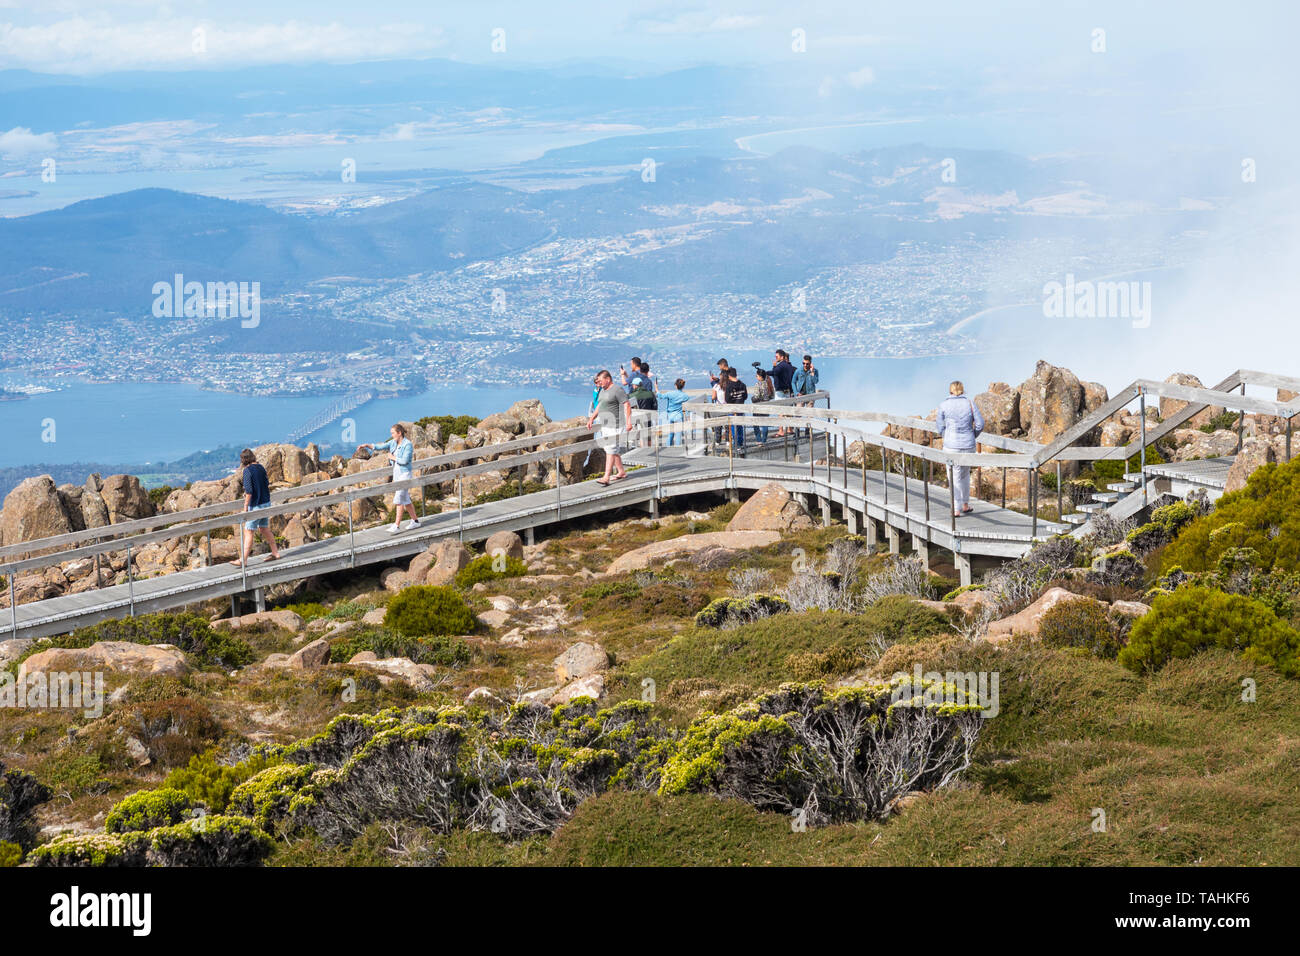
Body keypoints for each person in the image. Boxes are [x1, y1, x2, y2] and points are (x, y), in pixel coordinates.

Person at [935, 380, 985, 518]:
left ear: (950, 391)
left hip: (951, 447)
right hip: (968, 446)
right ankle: (965, 504)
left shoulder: (944, 405)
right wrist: (972, 435)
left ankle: (956, 508)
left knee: (954, 477)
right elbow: (980, 424)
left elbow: (939, 426)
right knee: (964, 475)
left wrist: (946, 436)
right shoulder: (970, 403)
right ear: (962, 390)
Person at [358, 423, 420, 533]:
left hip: (405, 474)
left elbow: (405, 461)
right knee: (405, 499)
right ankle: (415, 521)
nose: (391, 435)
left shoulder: (408, 445)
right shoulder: (393, 443)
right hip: (397, 474)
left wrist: (393, 457)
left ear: (399, 433)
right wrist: (367, 445)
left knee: (399, 499)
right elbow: (380, 446)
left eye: (392, 433)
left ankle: (396, 525)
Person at [234, 448, 280, 566]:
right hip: (266, 503)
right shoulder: (261, 467)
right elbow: (266, 483)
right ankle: (275, 552)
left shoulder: (247, 471)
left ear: (244, 460)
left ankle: (243, 560)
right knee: (264, 528)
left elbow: (249, 491)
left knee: (248, 531)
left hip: (255, 505)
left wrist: (245, 507)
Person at [587, 369, 632, 485]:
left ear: (608, 379)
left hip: (616, 424)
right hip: (605, 425)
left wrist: (628, 422)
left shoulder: (617, 390)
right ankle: (621, 472)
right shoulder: (602, 390)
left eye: (601, 380)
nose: (599, 383)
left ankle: (606, 477)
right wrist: (591, 418)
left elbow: (627, 405)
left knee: (610, 450)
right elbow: (600, 405)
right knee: (611, 450)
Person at [759, 349, 797, 436]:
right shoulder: (789, 366)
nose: (775, 358)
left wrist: (769, 370)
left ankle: (781, 430)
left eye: (777, 357)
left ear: (782, 357)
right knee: (788, 410)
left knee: (780, 411)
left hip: (780, 392)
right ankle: (790, 429)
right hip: (788, 391)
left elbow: (774, 372)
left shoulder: (780, 366)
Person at [660, 377, 691, 446]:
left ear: (675, 385)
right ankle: (678, 448)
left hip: (671, 416)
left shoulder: (670, 394)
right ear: (683, 386)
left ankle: (668, 447)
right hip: (679, 416)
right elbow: (688, 405)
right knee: (678, 434)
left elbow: (660, 396)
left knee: (671, 433)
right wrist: (688, 416)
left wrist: (656, 390)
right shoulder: (685, 396)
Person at [724, 366, 748, 448]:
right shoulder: (743, 385)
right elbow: (745, 396)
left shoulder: (728, 386)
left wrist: (733, 400)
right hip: (741, 408)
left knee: (734, 427)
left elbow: (727, 399)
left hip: (732, 409)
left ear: (729, 376)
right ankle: (740, 443)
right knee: (740, 426)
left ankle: (736, 444)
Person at [750, 367, 774, 444]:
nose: (756, 377)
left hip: (758, 406)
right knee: (765, 423)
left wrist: (752, 398)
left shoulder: (758, 384)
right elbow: (772, 396)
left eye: (756, 376)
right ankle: (764, 440)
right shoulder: (768, 383)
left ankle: (759, 440)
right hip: (766, 405)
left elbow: (756, 397)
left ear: (760, 376)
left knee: (755, 423)